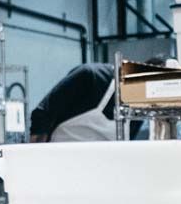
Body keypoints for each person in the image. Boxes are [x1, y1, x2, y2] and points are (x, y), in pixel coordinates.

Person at [27, 56, 171, 142]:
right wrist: (35, 164)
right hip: (59, 166)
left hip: (98, 175)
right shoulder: (90, 77)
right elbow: (41, 115)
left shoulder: (138, 109)